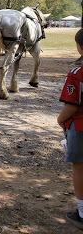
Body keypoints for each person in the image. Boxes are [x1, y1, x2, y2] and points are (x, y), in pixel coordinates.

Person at [58, 29, 83, 230]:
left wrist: (60, 120)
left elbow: (72, 105)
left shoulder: (77, 73)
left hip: (81, 127)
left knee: (79, 167)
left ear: (79, 47)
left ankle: (82, 213)